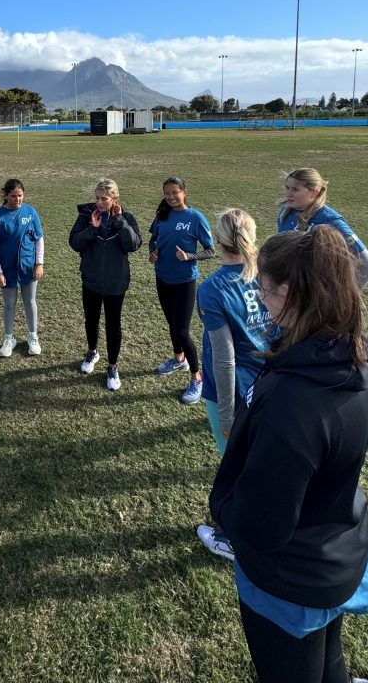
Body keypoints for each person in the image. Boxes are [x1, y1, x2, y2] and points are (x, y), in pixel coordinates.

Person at [209, 226, 368, 683]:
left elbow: (263, 523)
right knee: (329, 662)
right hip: (339, 549)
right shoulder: (363, 360)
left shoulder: (293, 401)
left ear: (288, 294)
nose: (260, 298)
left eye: (265, 289)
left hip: (290, 577)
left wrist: (226, 510)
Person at [195, 209, 271, 561]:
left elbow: (224, 360)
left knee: (237, 467)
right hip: (272, 385)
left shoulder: (212, 288)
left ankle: (234, 539)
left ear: (218, 238)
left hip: (236, 392)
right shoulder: (270, 275)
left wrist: (225, 415)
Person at [68, 178, 142, 391]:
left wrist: (119, 222)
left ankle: (112, 366)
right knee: (91, 320)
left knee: (113, 325)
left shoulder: (126, 217)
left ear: (114, 199)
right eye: (97, 198)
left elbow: (133, 244)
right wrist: (92, 228)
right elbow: (74, 242)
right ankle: (92, 352)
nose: (99, 202)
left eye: (104, 198)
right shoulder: (86, 216)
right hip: (91, 281)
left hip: (115, 283)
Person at [149, 176, 215, 405]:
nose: (170, 196)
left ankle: (197, 378)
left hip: (184, 281)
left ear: (184, 192)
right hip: (162, 278)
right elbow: (152, 239)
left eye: (175, 192)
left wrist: (190, 256)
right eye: (167, 193)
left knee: (182, 330)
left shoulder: (195, 218)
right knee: (171, 324)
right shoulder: (162, 216)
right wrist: (153, 252)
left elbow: (210, 251)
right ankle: (179, 359)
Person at [277, 167, 368, 288]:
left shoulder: (330, 221)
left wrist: (342, 297)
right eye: (287, 187)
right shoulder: (285, 212)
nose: (288, 193)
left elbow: (367, 266)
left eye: (295, 189)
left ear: (314, 193)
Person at [0, 178, 44, 357]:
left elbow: (39, 239)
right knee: (9, 304)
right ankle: (9, 338)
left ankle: (33, 337)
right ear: (6, 196)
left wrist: (39, 263)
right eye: (13, 196)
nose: (18, 200)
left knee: (30, 301)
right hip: (7, 270)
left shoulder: (31, 212)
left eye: (20, 196)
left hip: (28, 268)